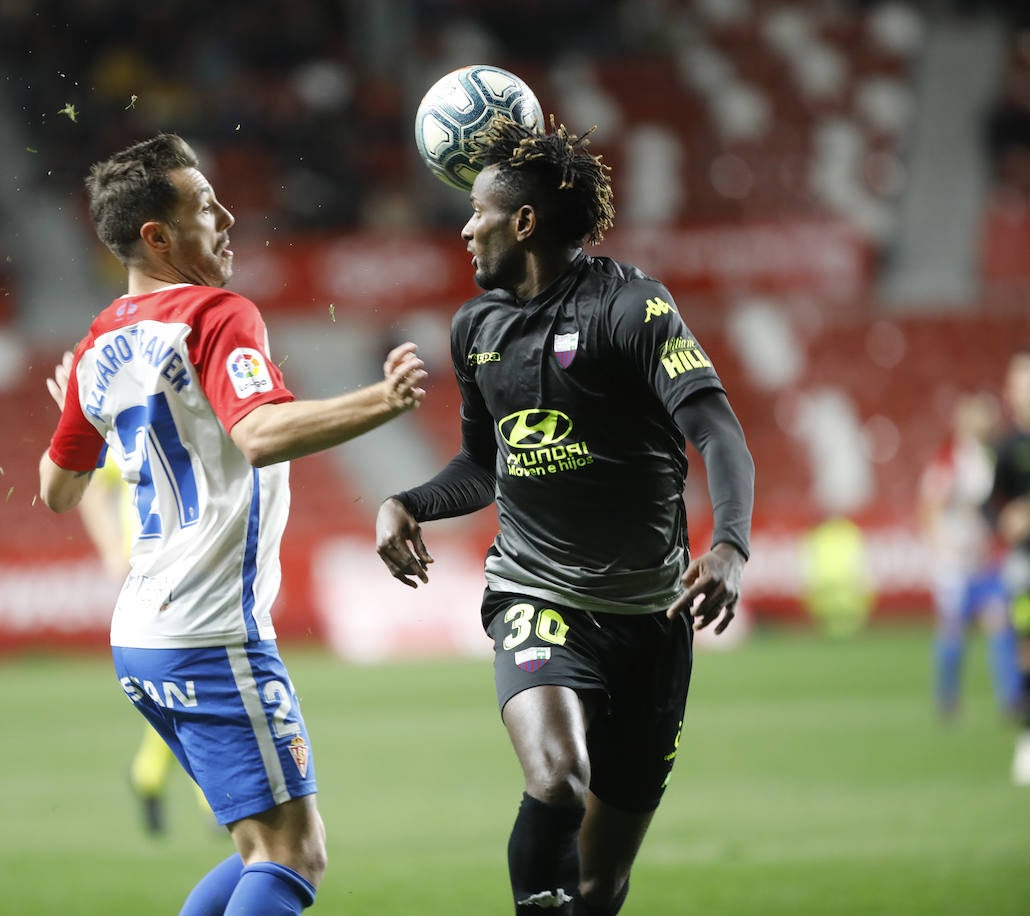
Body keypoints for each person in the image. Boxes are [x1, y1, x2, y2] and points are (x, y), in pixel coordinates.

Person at [38, 133, 426, 915]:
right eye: (205, 206)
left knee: (261, 847)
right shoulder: (219, 314)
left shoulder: (98, 345)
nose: (227, 217)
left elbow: (55, 490)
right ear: (157, 235)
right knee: (296, 854)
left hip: (141, 635)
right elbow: (260, 433)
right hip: (212, 632)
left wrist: (87, 414)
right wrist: (382, 400)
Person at [375, 117, 754, 916]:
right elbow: (485, 465)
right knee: (555, 782)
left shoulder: (632, 309)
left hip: (650, 622)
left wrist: (728, 547)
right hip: (536, 598)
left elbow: (717, 429)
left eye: (477, 211)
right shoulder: (474, 331)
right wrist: (405, 502)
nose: (465, 226)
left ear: (523, 222)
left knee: (601, 879)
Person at [73, 456, 214, 834]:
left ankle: (148, 775)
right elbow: (93, 489)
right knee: (190, 677)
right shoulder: (129, 427)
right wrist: (110, 550)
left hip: (188, 568)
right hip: (148, 573)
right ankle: (209, 796)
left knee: (181, 680)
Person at [919, 392, 1019, 721]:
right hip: (955, 564)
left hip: (984, 561)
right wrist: (941, 547)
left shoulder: (992, 456)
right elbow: (929, 507)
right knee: (953, 632)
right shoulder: (949, 461)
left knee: (1000, 622)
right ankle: (947, 699)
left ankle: (1012, 699)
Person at [987, 347, 1030, 785]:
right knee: (1026, 649)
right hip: (1025, 566)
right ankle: (1028, 736)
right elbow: (989, 506)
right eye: (1018, 385)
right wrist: (1005, 520)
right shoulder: (1009, 447)